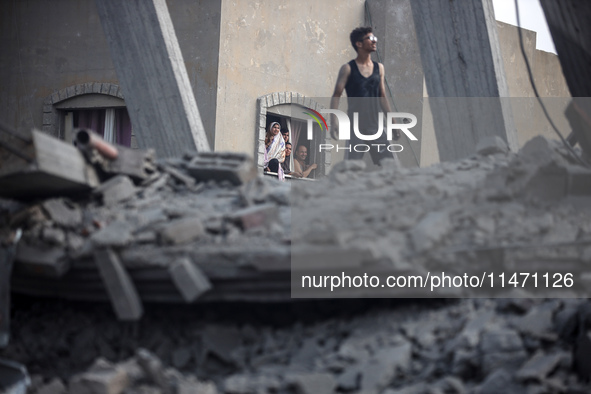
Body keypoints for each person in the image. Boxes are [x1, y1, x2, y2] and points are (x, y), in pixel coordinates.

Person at [330, 26, 400, 165]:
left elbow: (382, 96)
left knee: (391, 167)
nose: (375, 41)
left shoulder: (379, 68)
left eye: (375, 38)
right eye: (371, 38)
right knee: (350, 169)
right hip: (356, 129)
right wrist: (333, 122)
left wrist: (393, 123)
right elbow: (336, 95)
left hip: (377, 128)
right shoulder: (348, 68)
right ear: (359, 44)